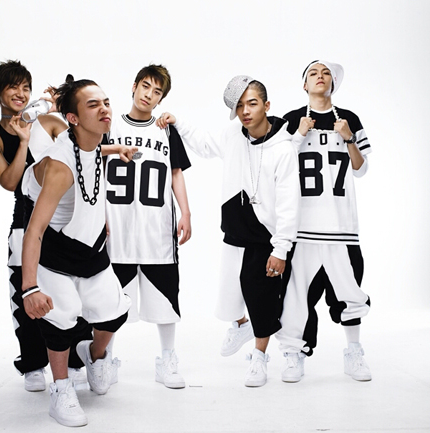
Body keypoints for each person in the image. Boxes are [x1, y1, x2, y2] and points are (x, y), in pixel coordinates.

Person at [158, 75, 300, 387]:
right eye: (239, 106)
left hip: (266, 237)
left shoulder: (284, 149)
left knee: (261, 299)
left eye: (252, 103)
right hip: (235, 231)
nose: (245, 111)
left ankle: (259, 357)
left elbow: (290, 204)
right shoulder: (234, 133)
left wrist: (281, 249)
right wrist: (178, 122)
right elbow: (206, 144)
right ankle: (241, 324)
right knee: (229, 295)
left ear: (267, 105)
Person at [21, 75, 136, 427]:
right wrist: (29, 288)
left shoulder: (91, 141)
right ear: (72, 118)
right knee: (62, 317)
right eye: (93, 105)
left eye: (106, 102)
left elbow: (90, 152)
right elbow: (34, 230)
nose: (105, 109)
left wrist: (117, 149)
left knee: (114, 311)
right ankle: (61, 388)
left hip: (89, 247)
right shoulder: (59, 167)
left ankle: (94, 355)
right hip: (55, 250)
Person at [0, 60, 89, 392]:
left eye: (26, 87)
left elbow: (83, 150)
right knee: (24, 290)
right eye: (13, 86)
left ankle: (76, 361)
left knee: (72, 288)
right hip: (24, 218)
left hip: (63, 216)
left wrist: (65, 110)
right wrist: (24, 141)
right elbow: (11, 182)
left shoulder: (49, 121)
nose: (21, 93)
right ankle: (32, 364)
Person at [275, 60, 372, 383]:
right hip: (302, 227)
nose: (320, 77)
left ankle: (354, 352)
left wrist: (349, 138)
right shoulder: (292, 120)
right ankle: (294, 354)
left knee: (350, 291)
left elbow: (361, 169)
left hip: (341, 226)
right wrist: (299, 134)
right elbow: (278, 166)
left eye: (326, 73)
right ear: (304, 84)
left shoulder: (349, 119)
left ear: (334, 82)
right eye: (313, 73)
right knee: (295, 296)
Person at [104, 64, 192, 389]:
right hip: (118, 229)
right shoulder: (109, 126)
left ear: (161, 99)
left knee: (166, 301)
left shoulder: (166, 130)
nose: (149, 95)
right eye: (145, 86)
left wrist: (186, 212)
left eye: (157, 92)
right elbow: (94, 168)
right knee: (108, 303)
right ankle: (104, 360)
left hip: (157, 231)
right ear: (134, 86)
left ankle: (167, 359)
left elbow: (176, 172)